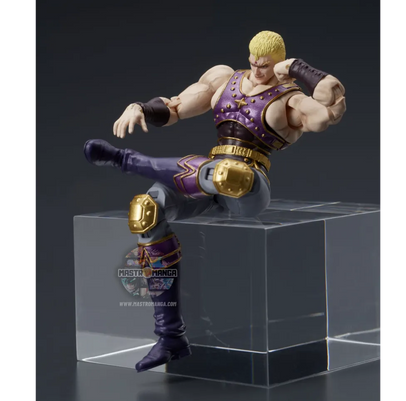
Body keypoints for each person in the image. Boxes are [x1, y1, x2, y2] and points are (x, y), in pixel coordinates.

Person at [84, 30, 346, 373]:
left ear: (279, 62)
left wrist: (299, 68)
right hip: (202, 179)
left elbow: (329, 109)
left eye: (266, 65)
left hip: (249, 185)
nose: (257, 70)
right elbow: (175, 107)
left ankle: (126, 160)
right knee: (146, 210)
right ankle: (170, 337)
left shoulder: (291, 100)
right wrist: (140, 108)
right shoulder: (225, 79)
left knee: (224, 173)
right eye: (253, 62)